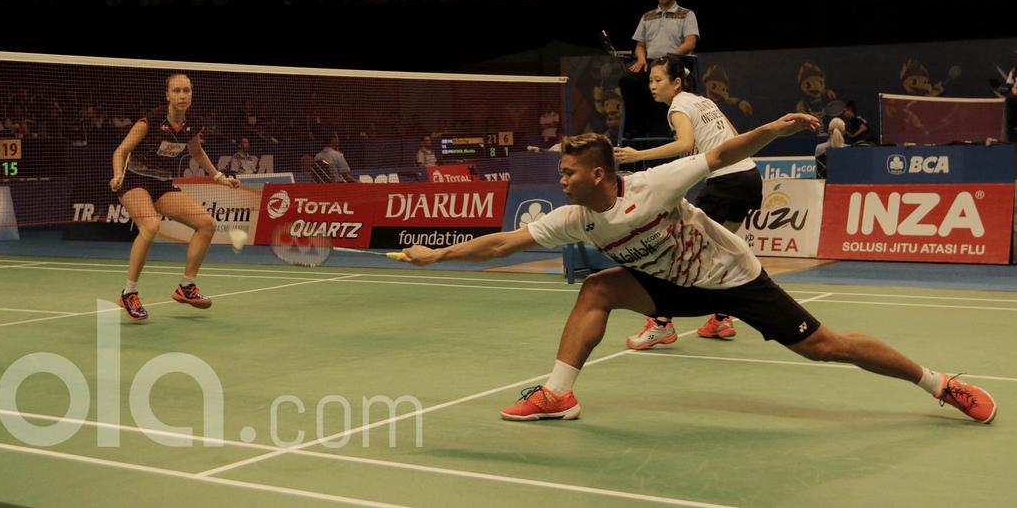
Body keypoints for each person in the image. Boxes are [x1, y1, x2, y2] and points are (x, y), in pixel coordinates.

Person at [397, 114, 996, 425]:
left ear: (601, 175)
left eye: (569, 173)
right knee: (599, 287)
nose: (561, 181)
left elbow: (719, 155)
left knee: (825, 346)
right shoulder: (577, 218)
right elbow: (504, 244)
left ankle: (940, 383)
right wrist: (437, 254)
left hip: (732, 278)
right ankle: (558, 395)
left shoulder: (654, 186)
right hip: (671, 285)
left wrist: (773, 130)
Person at [613, 56, 762, 347]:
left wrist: (637, 155)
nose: (652, 87)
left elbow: (683, 144)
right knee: (724, 250)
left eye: (658, 80)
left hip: (726, 182)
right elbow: (734, 136)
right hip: (748, 177)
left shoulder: (679, 107)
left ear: (676, 82)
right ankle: (721, 319)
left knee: (679, 252)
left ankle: (661, 323)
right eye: (650, 81)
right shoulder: (703, 101)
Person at [109, 73, 239, 322]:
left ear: (191, 94)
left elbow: (197, 153)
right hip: (133, 181)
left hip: (161, 184)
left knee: (206, 224)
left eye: (186, 91)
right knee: (151, 225)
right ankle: (129, 292)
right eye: (177, 91)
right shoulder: (152, 120)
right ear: (167, 94)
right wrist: (117, 176)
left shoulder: (192, 122)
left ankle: (187, 287)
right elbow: (121, 151)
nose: (182, 95)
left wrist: (220, 177)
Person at [621, 0, 700, 138]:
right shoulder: (647, 16)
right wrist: (641, 59)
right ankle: (636, 127)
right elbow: (640, 45)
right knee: (628, 80)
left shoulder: (686, 14)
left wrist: (668, 58)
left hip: (676, 62)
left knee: (668, 84)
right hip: (650, 63)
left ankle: (674, 128)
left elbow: (690, 43)